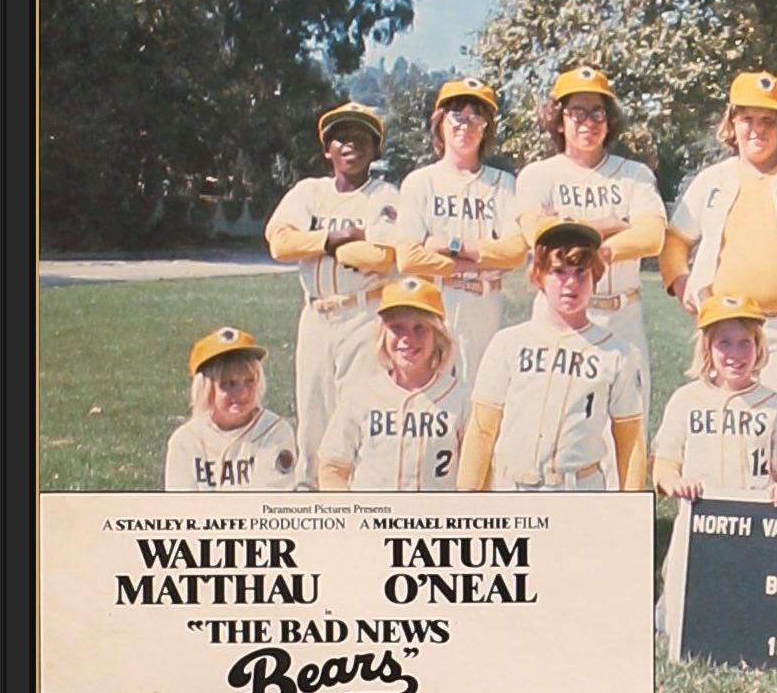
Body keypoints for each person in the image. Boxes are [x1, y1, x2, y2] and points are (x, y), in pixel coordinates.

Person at [660, 70, 777, 433]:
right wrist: (680, 281)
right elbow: (675, 239)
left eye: (768, 120)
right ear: (731, 123)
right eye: (747, 119)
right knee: (724, 435)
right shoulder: (713, 180)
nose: (756, 130)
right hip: (725, 332)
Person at [651, 294, 777, 638]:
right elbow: (664, 464)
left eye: (745, 344)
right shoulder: (686, 399)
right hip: (699, 523)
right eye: (724, 344)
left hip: (753, 526)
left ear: (759, 347)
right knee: (684, 612)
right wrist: (674, 482)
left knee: (750, 613)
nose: (736, 354)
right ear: (707, 349)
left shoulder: (773, 404)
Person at [265, 101, 400, 489]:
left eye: (361, 139)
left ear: (374, 150)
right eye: (341, 138)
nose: (350, 145)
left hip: (363, 312)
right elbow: (280, 243)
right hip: (316, 313)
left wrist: (312, 242)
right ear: (327, 149)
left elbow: (382, 254)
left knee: (358, 408)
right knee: (313, 412)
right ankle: (311, 491)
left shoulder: (385, 196)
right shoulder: (310, 191)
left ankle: (358, 493)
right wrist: (334, 238)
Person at [458, 218, 647, 492]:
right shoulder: (508, 343)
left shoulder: (618, 353)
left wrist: (632, 508)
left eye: (581, 272)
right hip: (512, 488)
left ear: (596, 277)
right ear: (538, 277)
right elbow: (482, 430)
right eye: (558, 271)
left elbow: (630, 441)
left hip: (578, 491)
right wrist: (468, 495)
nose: (571, 283)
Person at [512, 66, 666, 403]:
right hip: (557, 315)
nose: (588, 121)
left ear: (609, 120)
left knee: (628, 419)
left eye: (597, 112)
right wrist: (612, 223)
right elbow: (538, 234)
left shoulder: (634, 174)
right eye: (576, 112)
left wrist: (592, 248)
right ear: (559, 119)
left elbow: (652, 235)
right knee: (554, 419)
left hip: (621, 312)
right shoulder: (538, 175)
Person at [393, 77, 526, 381]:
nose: (465, 125)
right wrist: (480, 263)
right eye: (457, 115)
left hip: (484, 305)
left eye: (476, 117)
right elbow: (408, 259)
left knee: (480, 396)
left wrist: (449, 246)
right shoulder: (420, 182)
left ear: (487, 128)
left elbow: (515, 253)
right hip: (433, 302)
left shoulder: (503, 184)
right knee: (432, 395)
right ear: (440, 122)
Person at [317, 277, 467, 491]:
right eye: (397, 327)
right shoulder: (361, 397)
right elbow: (332, 468)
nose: (408, 338)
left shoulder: (460, 398)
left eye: (420, 328)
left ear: (438, 336)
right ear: (382, 334)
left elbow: (476, 477)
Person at [164, 326, 296, 491]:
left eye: (249, 381)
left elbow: (268, 505)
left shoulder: (275, 432)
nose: (242, 393)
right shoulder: (186, 440)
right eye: (228, 384)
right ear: (206, 389)